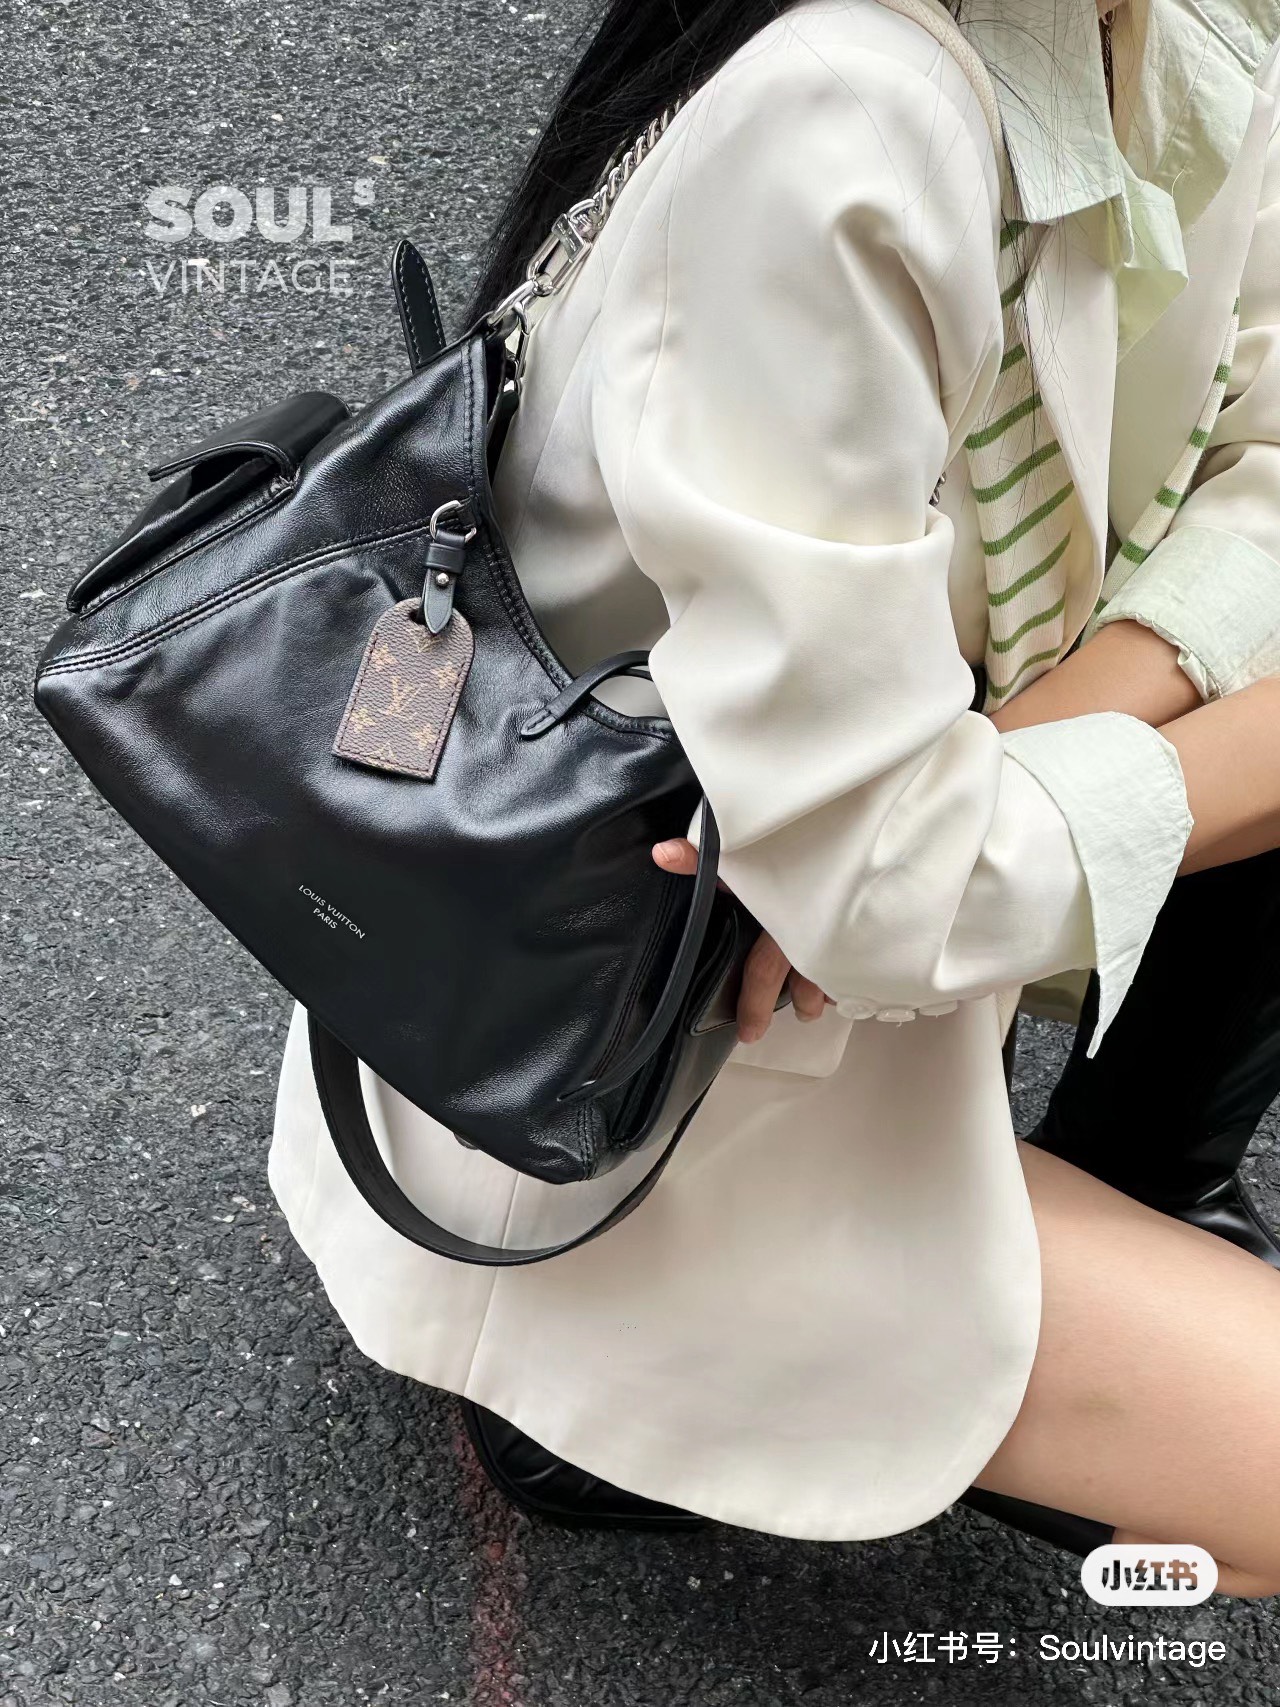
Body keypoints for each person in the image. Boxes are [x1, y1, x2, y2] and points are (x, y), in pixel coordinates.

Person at [269, 0, 1280, 1594]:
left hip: (843, 905)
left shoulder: (1186, 23)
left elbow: (1268, 451)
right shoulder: (847, 117)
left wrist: (1025, 753)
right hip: (646, 1086)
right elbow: (881, 895)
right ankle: (611, 1404)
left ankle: (1144, 1189)